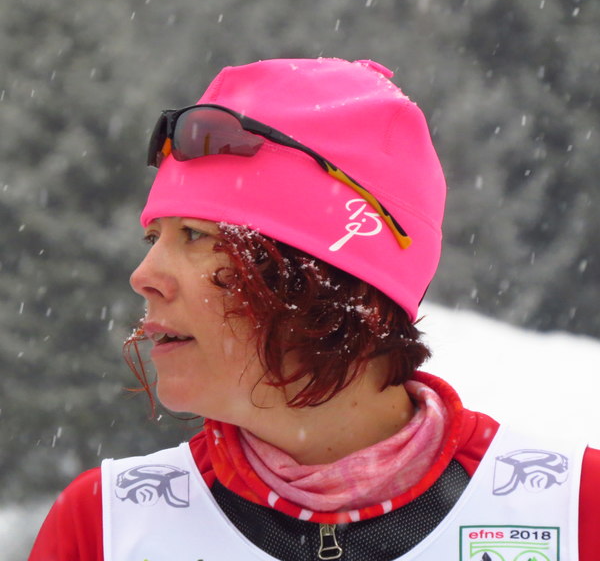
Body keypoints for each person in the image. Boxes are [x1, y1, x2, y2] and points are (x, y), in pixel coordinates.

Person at [29, 58, 600, 561]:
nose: (144, 276)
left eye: (196, 235)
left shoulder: (575, 511)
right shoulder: (105, 526)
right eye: (154, 238)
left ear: (325, 279)